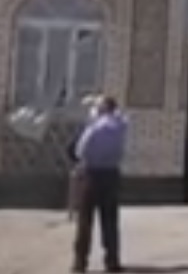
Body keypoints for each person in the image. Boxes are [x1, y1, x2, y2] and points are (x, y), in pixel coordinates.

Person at [71, 95, 128, 274]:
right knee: (110, 220)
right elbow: (122, 118)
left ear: (101, 109)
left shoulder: (94, 127)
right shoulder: (120, 126)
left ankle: (80, 262)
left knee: (85, 220)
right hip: (111, 175)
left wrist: (92, 116)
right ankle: (112, 261)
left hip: (91, 175)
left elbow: (80, 150)